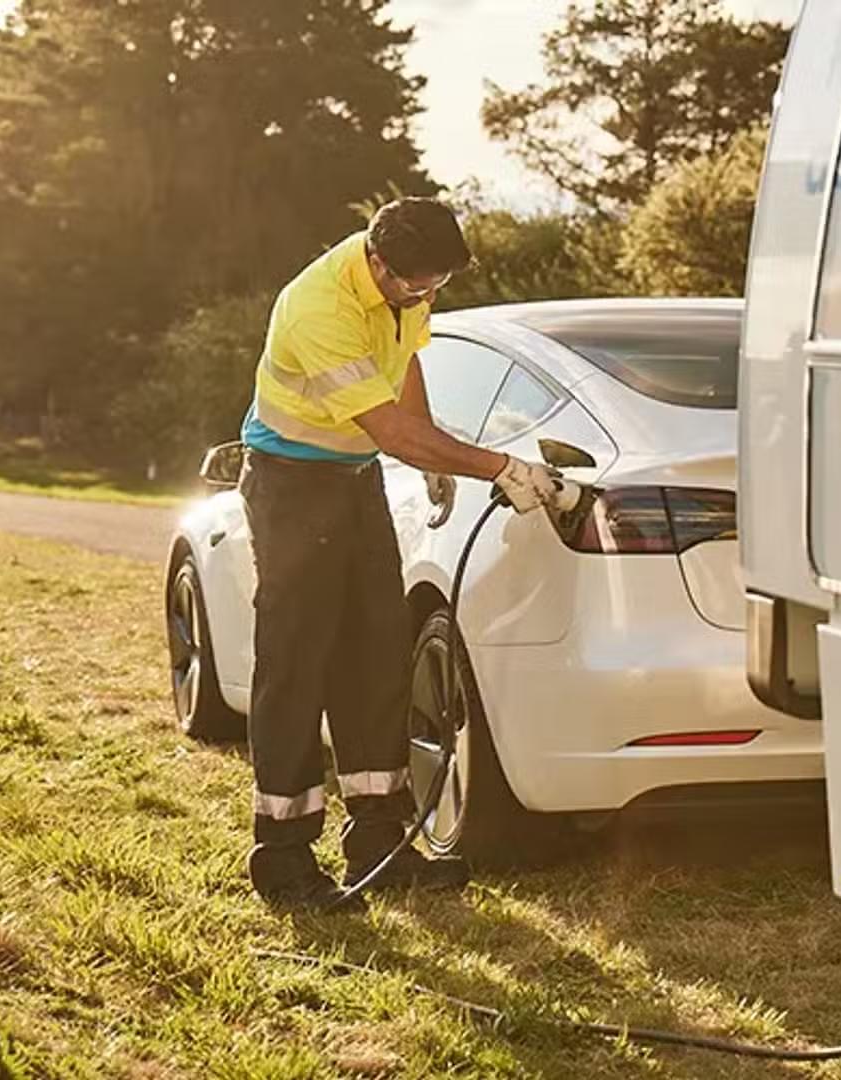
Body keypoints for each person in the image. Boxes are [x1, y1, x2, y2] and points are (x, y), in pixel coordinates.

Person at [238, 197, 560, 908]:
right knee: (297, 662)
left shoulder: (407, 284)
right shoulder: (318, 306)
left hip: (351, 481)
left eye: (434, 287)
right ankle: (284, 858)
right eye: (414, 285)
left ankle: (377, 844)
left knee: (374, 651)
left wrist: (432, 441)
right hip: (291, 486)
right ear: (376, 260)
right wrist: (494, 466)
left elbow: (407, 369)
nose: (423, 296)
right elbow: (386, 428)